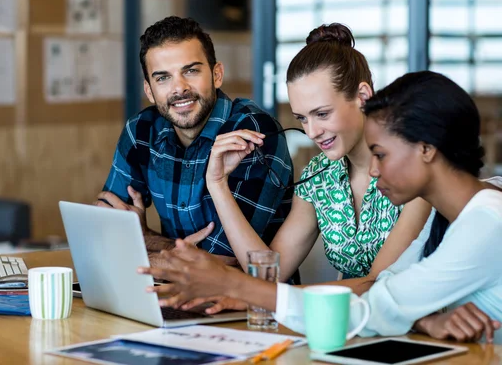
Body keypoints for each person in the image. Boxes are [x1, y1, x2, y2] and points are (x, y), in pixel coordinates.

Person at [140, 71, 502, 343]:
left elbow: (374, 306)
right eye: (301, 119)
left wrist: (234, 284)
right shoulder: (447, 216)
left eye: (381, 155)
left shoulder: (486, 222)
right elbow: (386, 291)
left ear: (426, 149)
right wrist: (423, 318)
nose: (374, 170)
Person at [189, 23, 431, 304]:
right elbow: (269, 274)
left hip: (421, 331)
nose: (312, 131)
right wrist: (217, 184)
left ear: (363, 97)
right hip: (353, 327)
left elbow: (376, 285)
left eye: (322, 113)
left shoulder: (413, 167)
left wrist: (254, 295)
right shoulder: (320, 175)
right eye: (302, 118)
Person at [97, 16, 293, 267]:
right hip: (165, 293)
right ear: (149, 90)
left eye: (190, 71)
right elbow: (106, 231)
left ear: (217, 74)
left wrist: (143, 241)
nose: (179, 88)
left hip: (246, 303)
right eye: (163, 78)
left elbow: (227, 262)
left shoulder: (252, 133)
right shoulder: (141, 131)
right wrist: (158, 247)